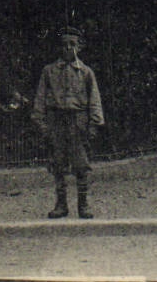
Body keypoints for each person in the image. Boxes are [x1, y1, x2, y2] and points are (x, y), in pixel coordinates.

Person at [32, 27, 105, 219]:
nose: (67, 48)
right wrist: (41, 123)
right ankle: (61, 204)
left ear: (80, 47)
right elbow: (40, 98)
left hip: (78, 121)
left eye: (72, 44)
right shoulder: (48, 71)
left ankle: (83, 205)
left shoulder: (86, 72)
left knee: (81, 164)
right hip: (56, 121)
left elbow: (94, 99)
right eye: (64, 45)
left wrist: (94, 124)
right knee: (58, 164)